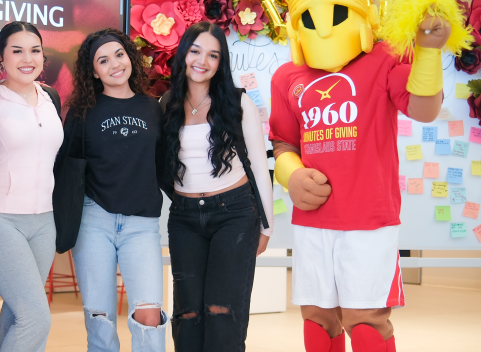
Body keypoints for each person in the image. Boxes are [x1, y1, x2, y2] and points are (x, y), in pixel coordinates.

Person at [264, 0, 451, 351]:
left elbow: (423, 109)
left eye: (336, 13)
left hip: (369, 220)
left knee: (366, 322)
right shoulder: (287, 77)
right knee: (317, 322)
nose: (322, 28)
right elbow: (283, 142)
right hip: (313, 222)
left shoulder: (384, 59)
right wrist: (292, 176)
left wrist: (427, 53)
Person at [156, 21, 275, 351]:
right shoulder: (166, 104)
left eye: (213, 55)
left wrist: (267, 227)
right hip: (184, 218)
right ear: (184, 54)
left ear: (221, 63)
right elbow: (161, 165)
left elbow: (259, 166)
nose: (202, 61)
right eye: (195, 51)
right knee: (189, 313)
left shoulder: (238, 103)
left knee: (223, 312)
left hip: (235, 214)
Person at [54, 28, 168, 352]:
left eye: (119, 54)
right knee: (99, 317)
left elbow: (164, 167)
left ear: (130, 58)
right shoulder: (81, 112)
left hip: (142, 226)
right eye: (103, 60)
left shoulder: (154, 109)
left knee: (149, 315)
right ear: (93, 71)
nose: (114, 64)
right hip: (94, 221)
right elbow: (65, 166)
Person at [0, 21, 64, 352]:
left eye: (35, 50)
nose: (28, 58)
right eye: (17, 50)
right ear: (1, 58)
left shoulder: (51, 98)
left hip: (44, 221)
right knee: (36, 318)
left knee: (18, 313)